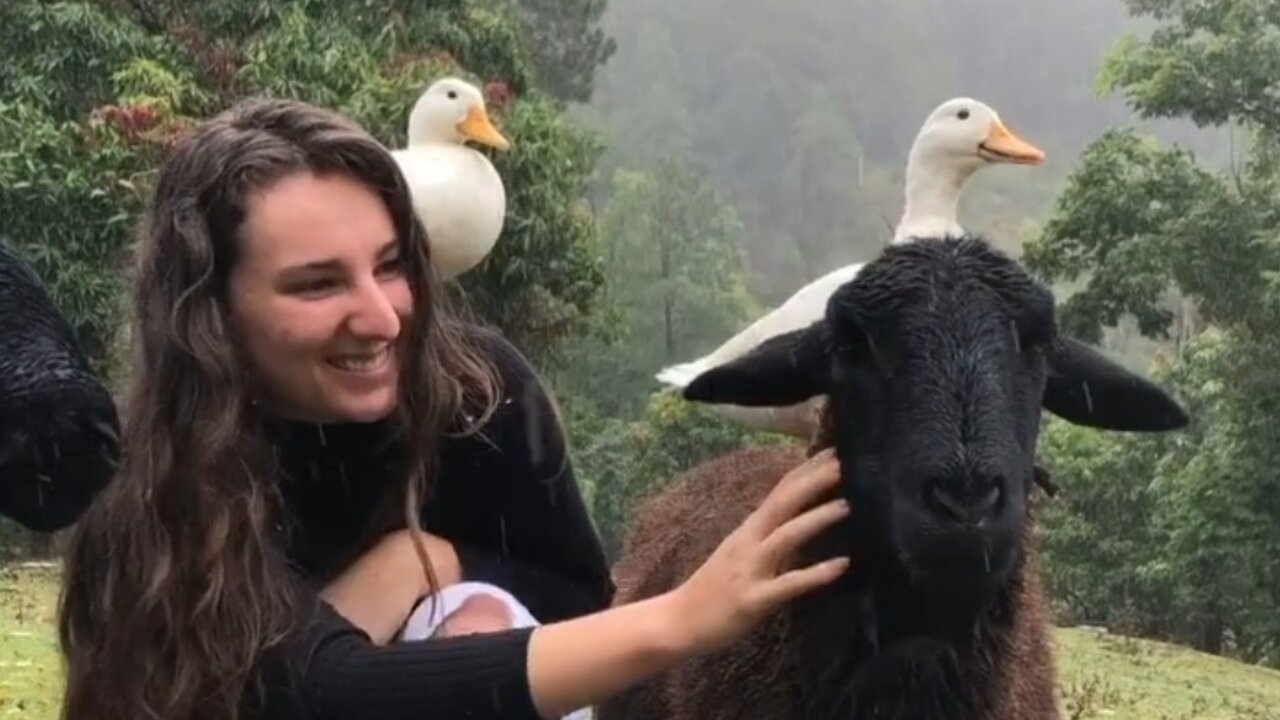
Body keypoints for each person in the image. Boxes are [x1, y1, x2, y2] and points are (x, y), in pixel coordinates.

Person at [55, 96, 852, 720]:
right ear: (213, 314)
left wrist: (456, 582)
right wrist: (683, 617)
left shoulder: (476, 393)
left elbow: (572, 593)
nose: (381, 316)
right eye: (317, 283)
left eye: (391, 265)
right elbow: (320, 694)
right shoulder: (162, 482)